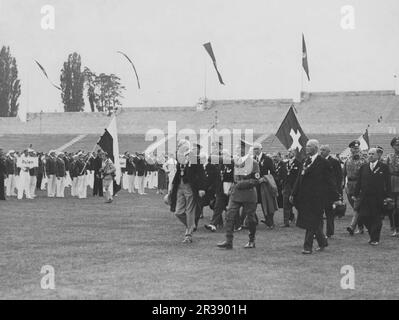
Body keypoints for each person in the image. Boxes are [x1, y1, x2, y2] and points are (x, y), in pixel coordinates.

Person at [291, 140, 341, 254]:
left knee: (311, 222)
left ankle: (307, 247)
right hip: (305, 197)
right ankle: (323, 242)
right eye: (306, 146)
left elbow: (330, 181)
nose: (306, 148)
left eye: (309, 146)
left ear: (315, 148)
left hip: (318, 198)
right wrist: (293, 193)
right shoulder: (305, 161)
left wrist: (336, 197)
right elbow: (299, 178)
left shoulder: (323, 163)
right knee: (316, 222)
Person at [217, 139, 260, 249]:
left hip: (248, 195)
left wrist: (241, 184)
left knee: (250, 219)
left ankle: (251, 240)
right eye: (237, 148)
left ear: (245, 150)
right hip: (236, 194)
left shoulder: (253, 163)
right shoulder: (236, 161)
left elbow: (255, 181)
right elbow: (223, 160)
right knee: (229, 216)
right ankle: (228, 241)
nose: (237, 150)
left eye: (240, 148)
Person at [169, 140, 207, 243]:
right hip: (180, 186)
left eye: (180, 146)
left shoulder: (194, 157)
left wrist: (201, 188)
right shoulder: (180, 157)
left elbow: (201, 173)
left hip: (190, 187)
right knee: (178, 212)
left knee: (190, 211)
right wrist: (172, 185)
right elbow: (178, 172)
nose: (178, 147)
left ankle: (188, 234)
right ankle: (191, 225)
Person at [353, 148, 391, 245]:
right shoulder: (364, 167)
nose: (370, 155)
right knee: (363, 216)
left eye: (372, 154)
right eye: (369, 154)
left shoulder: (383, 167)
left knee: (376, 218)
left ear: (378, 155)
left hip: (378, 197)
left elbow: (388, 183)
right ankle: (372, 234)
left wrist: (388, 196)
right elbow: (359, 182)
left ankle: (375, 239)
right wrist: (355, 194)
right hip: (365, 197)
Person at [344, 140, 368, 236]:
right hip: (350, 185)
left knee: (357, 207)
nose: (356, 150)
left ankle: (352, 226)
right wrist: (343, 184)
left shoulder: (364, 160)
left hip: (360, 185)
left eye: (357, 148)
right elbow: (344, 173)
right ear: (351, 149)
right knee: (355, 207)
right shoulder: (347, 160)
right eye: (354, 148)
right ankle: (361, 228)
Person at [252, 142, 278, 229]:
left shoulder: (267, 159)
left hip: (264, 185)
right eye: (254, 149)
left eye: (257, 149)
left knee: (267, 204)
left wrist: (265, 179)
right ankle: (252, 221)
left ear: (261, 149)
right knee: (252, 203)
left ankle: (270, 222)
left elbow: (274, 173)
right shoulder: (252, 160)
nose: (255, 151)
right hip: (255, 185)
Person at [320, 145, 343, 238]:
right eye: (320, 150)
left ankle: (329, 232)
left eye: (323, 150)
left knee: (329, 213)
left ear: (328, 151)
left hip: (330, 192)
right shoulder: (319, 161)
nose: (321, 151)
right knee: (319, 213)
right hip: (320, 191)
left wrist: (337, 192)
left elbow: (338, 177)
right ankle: (318, 232)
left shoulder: (334, 162)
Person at [282, 148, 301, 227]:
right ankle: (286, 222)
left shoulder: (298, 163)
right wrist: (283, 187)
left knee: (298, 204)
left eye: (291, 152)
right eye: (288, 151)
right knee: (285, 204)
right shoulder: (285, 163)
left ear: (295, 153)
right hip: (287, 186)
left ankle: (300, 221)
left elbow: (299, 176)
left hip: (295, 187)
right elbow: (284, 176)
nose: (289, 153)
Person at [385, 137, 399, 237]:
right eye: (397, 145)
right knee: (391, 206)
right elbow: (386, 172)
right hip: (392, 183)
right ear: (393, 146)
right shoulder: (389, 157)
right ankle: (394, 227)